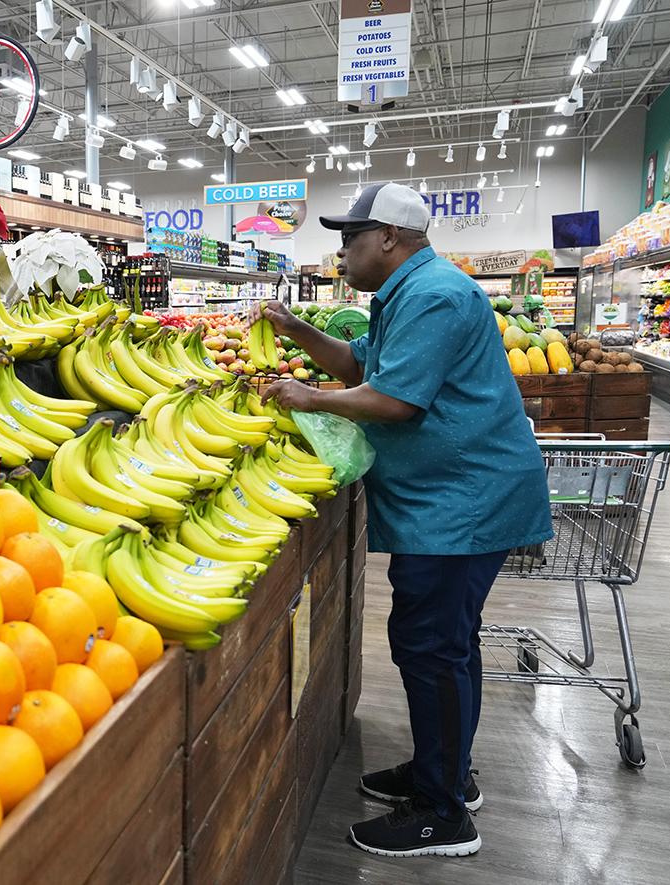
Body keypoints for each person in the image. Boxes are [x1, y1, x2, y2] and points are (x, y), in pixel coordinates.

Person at [258, 182, 552, 858]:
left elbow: (395, 400)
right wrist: (298, 332)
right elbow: (364, 363)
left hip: (462, 502)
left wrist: (310, 399)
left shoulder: (434, 295)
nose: (341, 251)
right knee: (447, 642)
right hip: (451, 498)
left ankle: (444, 813)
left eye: (350, 238)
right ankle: (443, 773)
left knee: (430, 645)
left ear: (389, 237)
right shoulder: (407, 294)